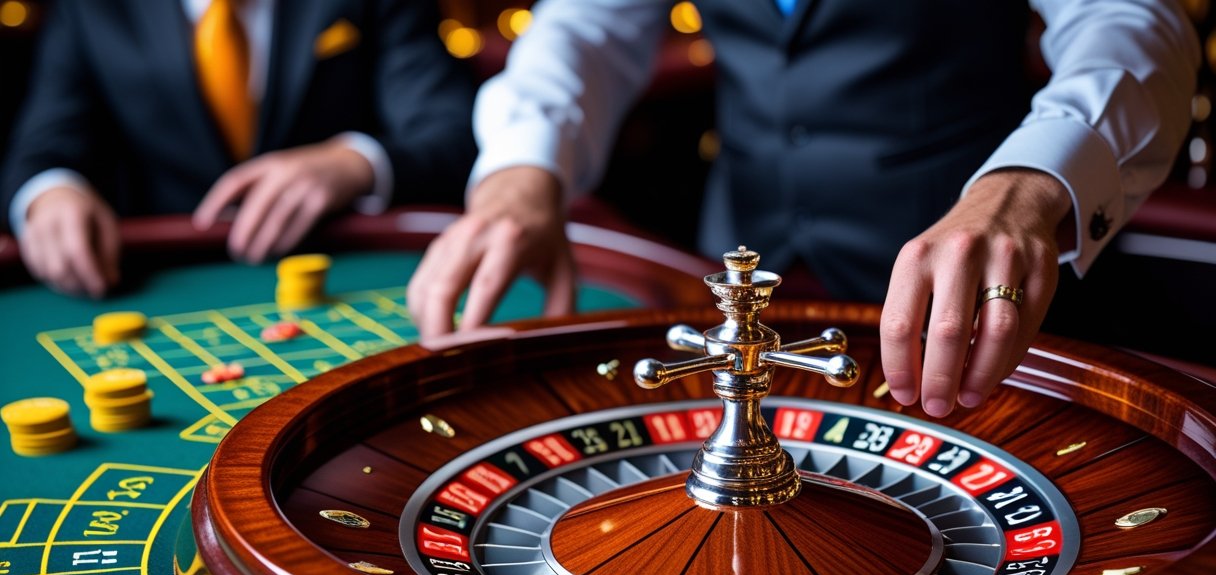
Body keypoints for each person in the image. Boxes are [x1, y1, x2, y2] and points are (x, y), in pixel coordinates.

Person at [407, 0, 1198, 418]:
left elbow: (1130, 22)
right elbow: (584, 25)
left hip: (972, 292)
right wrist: (520, 168)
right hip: (740, 254)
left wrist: (1025, 188)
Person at [0, 0, 477, 299]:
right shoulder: (88, 8)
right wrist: (51, 192)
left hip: (343, 271)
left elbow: (453, 133)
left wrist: (354, 161)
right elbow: (43, 145)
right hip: (157, 281)